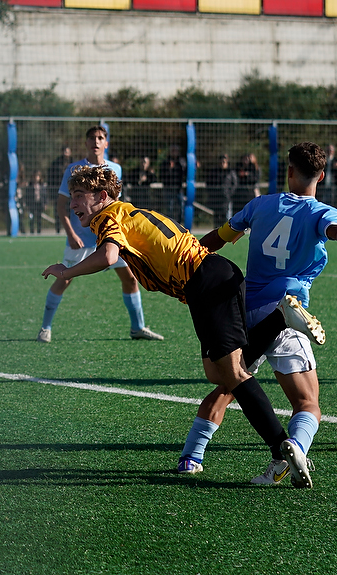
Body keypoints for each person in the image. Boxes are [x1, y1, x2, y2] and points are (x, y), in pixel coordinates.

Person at [41, 164, 292, 483]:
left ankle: (279, 452)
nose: (72, 203)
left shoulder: (109, 216)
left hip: (206, 280)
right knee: (217, 373)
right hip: (210, 280)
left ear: (101, 196)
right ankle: (278, 321)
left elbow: (106, 257)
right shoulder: (125, 212)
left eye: (79, 196)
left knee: (232, 373)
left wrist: (67, 271)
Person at [178, 142, 337, 487]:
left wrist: (185, 258)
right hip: (286, 310)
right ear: (322, 175)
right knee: (308, 404)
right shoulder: (322, 212)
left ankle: (191, 456)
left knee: (231, 382)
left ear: (288, 171)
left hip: (247, 311)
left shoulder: (260, 205)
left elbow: (219, 238)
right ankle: (295, 448)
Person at [36, 126, 163, 343]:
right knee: (64, 278)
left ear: (106, 143)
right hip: (81, 239)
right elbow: (61, 205)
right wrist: (70, 233)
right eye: (92, 138)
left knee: (130, 279)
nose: (96, 141)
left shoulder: (115, 169)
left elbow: (115, 206)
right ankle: (45, 328)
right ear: (85, 143)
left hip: (110, 236)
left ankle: (138, 327)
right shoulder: (74, 169)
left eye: (101, 138)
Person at [48, 146, 72, 233]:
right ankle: (57, 229)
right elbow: (50, 177)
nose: (66, 153)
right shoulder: (56, 164)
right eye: (64, 151)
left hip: (71, 191)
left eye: (67, 151)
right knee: (58, 208)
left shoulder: (73, 163)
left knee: (71, 210)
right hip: (58, 190)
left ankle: (71, 229)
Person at [24, 170, 48, 234]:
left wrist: (45, 203)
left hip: (39, 203)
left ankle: (39, 231)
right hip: (32, 203)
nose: (36, 178)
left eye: (37, 176)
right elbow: (27, 195)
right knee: (32, 218)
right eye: (34, 176)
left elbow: (45, 195)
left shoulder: (42, 186)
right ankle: (32, 231)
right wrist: (26, 204)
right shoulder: (29, 186)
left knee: (39, 218)